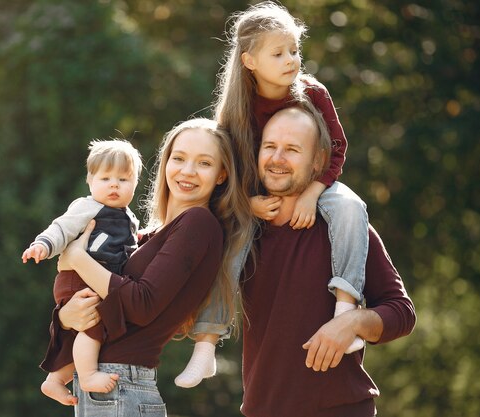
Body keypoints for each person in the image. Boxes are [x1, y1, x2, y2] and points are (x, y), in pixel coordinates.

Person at [175, 0, 368, 388]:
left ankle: (344, 311)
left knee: (351, 206)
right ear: (249, 61)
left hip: (314, 184)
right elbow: (227, 172)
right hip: (256, 196)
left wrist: (313, 193)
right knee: (230, 236)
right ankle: (207, 345)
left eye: (294, 50)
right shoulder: (236, 111)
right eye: (278, 53)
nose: (291, 60)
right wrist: (247, 203)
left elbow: (339, 147)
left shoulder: (312, 93)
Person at [53, 118, 252, 416]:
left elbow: (141, 304)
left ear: (222, 174)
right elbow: (98, 299)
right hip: (107, 385)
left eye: (204, 163)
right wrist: (66, 317)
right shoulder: (148, 236)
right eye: (179, 158)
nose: (187, 171)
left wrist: (78, 259)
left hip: (122, 385)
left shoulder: (198, 224)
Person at [241, 104, 416, 416]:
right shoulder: (241, 233)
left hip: (342, 409)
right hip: (261, 409)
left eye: (292, 149)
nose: (277, 158)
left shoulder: (344, 227)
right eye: (270, 147)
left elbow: (401, 312)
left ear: (317, 161)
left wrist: (352, 322)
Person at [21, 139, 143, 404]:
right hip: (78, 277)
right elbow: (61, 228)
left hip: (97, 279)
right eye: (105, 178)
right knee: (94, 326)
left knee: (91, 329)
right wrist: (43, 245)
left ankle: (55, 380)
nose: (114, 184)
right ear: (90, 181)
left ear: (135, 184)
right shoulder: (87, 207)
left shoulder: (130, 218)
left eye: (123, 179)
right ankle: (86, 376)